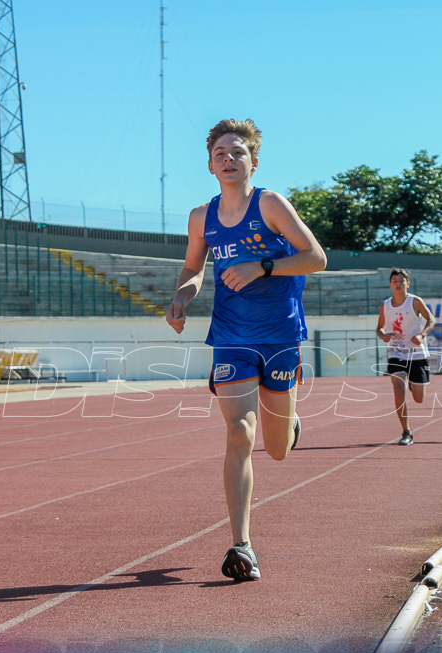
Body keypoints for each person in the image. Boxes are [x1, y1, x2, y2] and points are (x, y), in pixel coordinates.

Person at [165, 118, 327, 582]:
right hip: (231, 337)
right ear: (210, 166)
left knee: (276, 450)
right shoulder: (202, 217)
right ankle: (243, 544)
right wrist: (181, 297)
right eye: (220, 153)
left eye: (238, 152)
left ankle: (289, 421)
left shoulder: (271, 204)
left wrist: (264, 266)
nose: (229, 159)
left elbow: (316, 258)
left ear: (254, 160)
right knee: (239, 433)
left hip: (279, 336)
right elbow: (193, 269)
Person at [376, 268, 434, 446]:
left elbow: (431, 320)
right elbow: (380, 328)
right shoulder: (385, 305)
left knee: (418, 398)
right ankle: (406, 431)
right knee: (398, 387)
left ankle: (413, 382)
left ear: (408, 284)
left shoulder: (415, 302)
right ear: (390, 285)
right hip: (396, 352)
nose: (398, 284)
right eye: (395, 281)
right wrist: (383, 335)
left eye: (402, 281)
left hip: (417, 354)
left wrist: (422, 335)